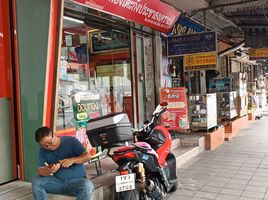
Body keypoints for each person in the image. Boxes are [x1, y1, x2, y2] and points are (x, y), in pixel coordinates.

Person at [32, 126, 94, 200]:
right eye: (44, 145)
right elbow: (40, 170)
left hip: (77, 182)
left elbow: (87, 156)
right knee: (37, 181)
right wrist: (48, 170)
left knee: (87, 185)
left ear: (54, 135)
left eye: (49, 142)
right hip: (57, 182)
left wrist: (73, 160)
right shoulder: (42, 150)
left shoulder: (71, 141)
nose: (48, 146)